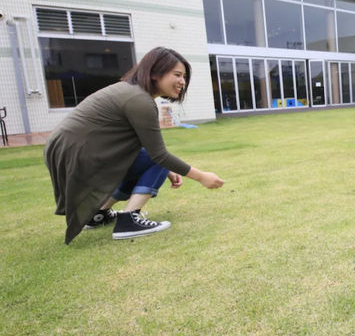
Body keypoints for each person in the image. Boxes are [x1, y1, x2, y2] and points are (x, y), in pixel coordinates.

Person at [44, 47, 225, 244]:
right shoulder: (139, 100)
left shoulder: (131, 92)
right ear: (155, 73)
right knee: (160, 158)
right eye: (177, 74)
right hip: (77, 153)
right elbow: (159, 156)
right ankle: (129, 219)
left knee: (155, 160)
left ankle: (98, 214)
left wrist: (168, 171)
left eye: (184, 76)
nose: (182, 81)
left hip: (67, 150)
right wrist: (202, 177)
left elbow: (141, 149)